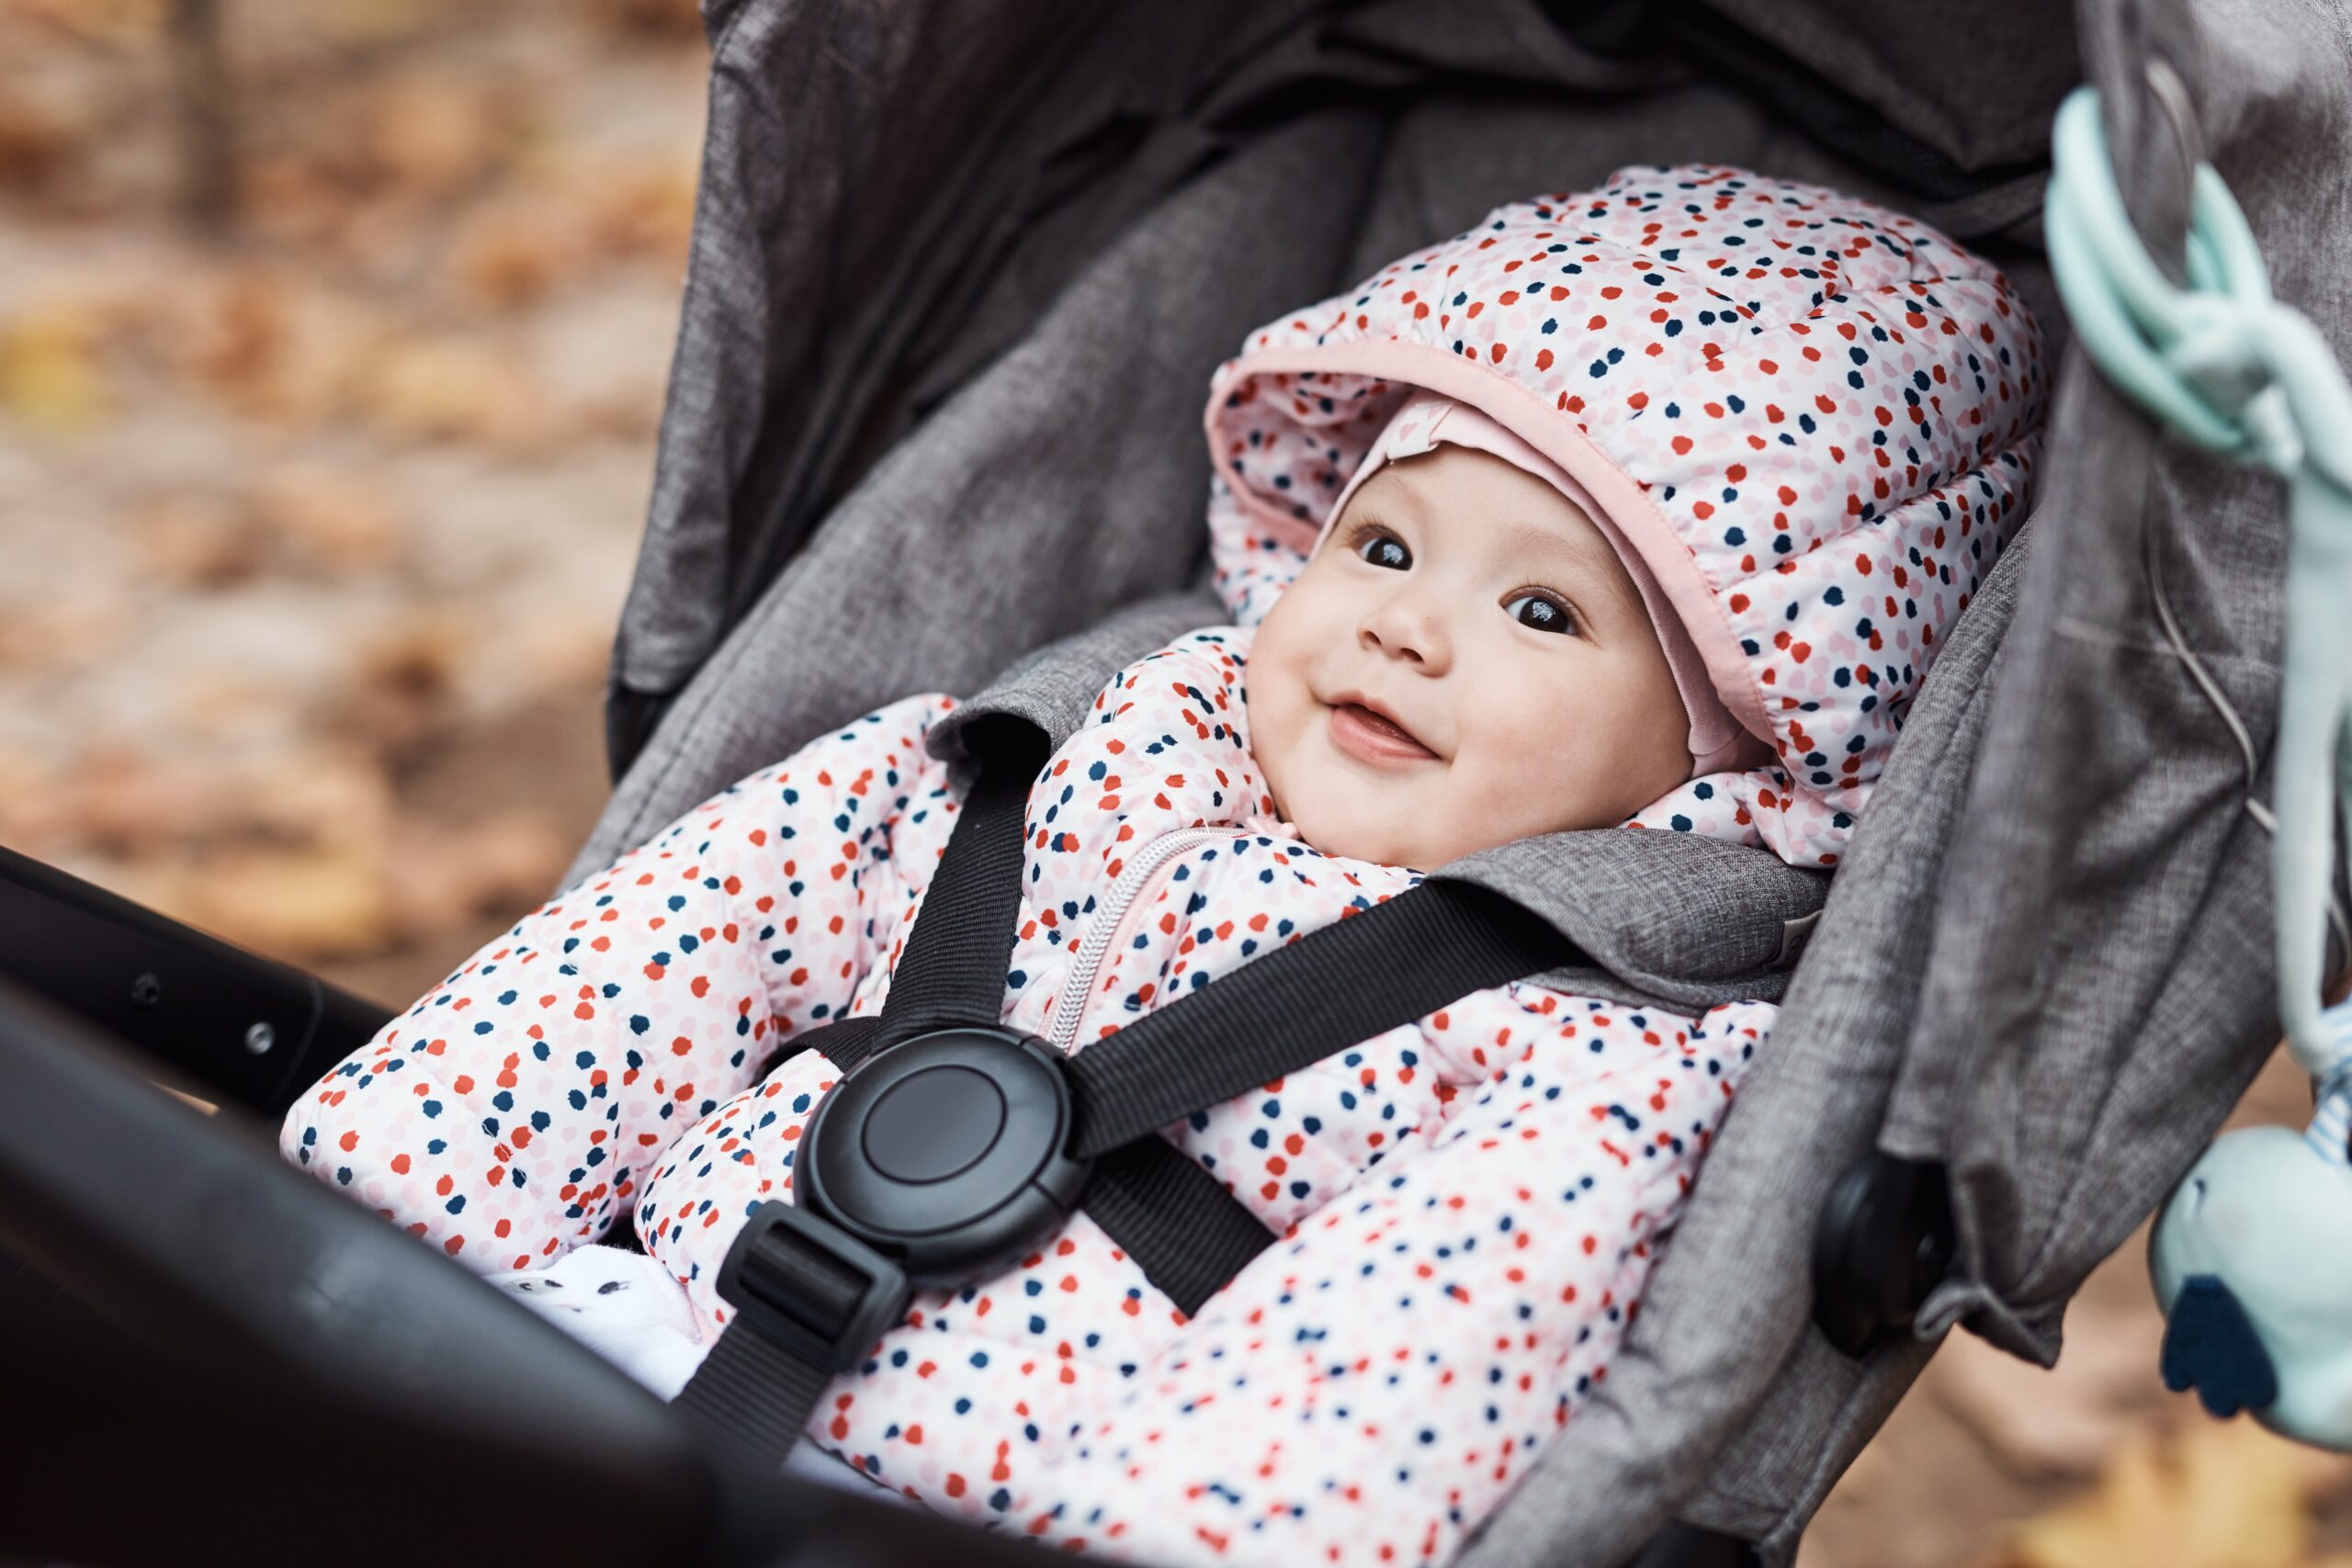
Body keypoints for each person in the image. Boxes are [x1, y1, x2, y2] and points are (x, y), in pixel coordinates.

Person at [282, 163, 2045, 1566]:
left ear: (1728, 756)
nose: (1407, 631)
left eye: (1539, 609)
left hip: (973, 1520)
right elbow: (715, 915)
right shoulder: (1075, 745)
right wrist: (399, 1200)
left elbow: (1391, 1366)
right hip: (598, 1338)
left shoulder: (1602, 1054)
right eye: (1381, 540)